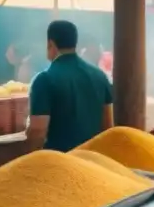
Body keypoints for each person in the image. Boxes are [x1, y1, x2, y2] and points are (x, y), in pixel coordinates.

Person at [27, 20, 114, 152]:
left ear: (50, 44)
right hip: (92, 161)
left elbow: (38, 132)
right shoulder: (100, 76)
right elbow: (107, 126)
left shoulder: (44, 80)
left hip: (60, 163)